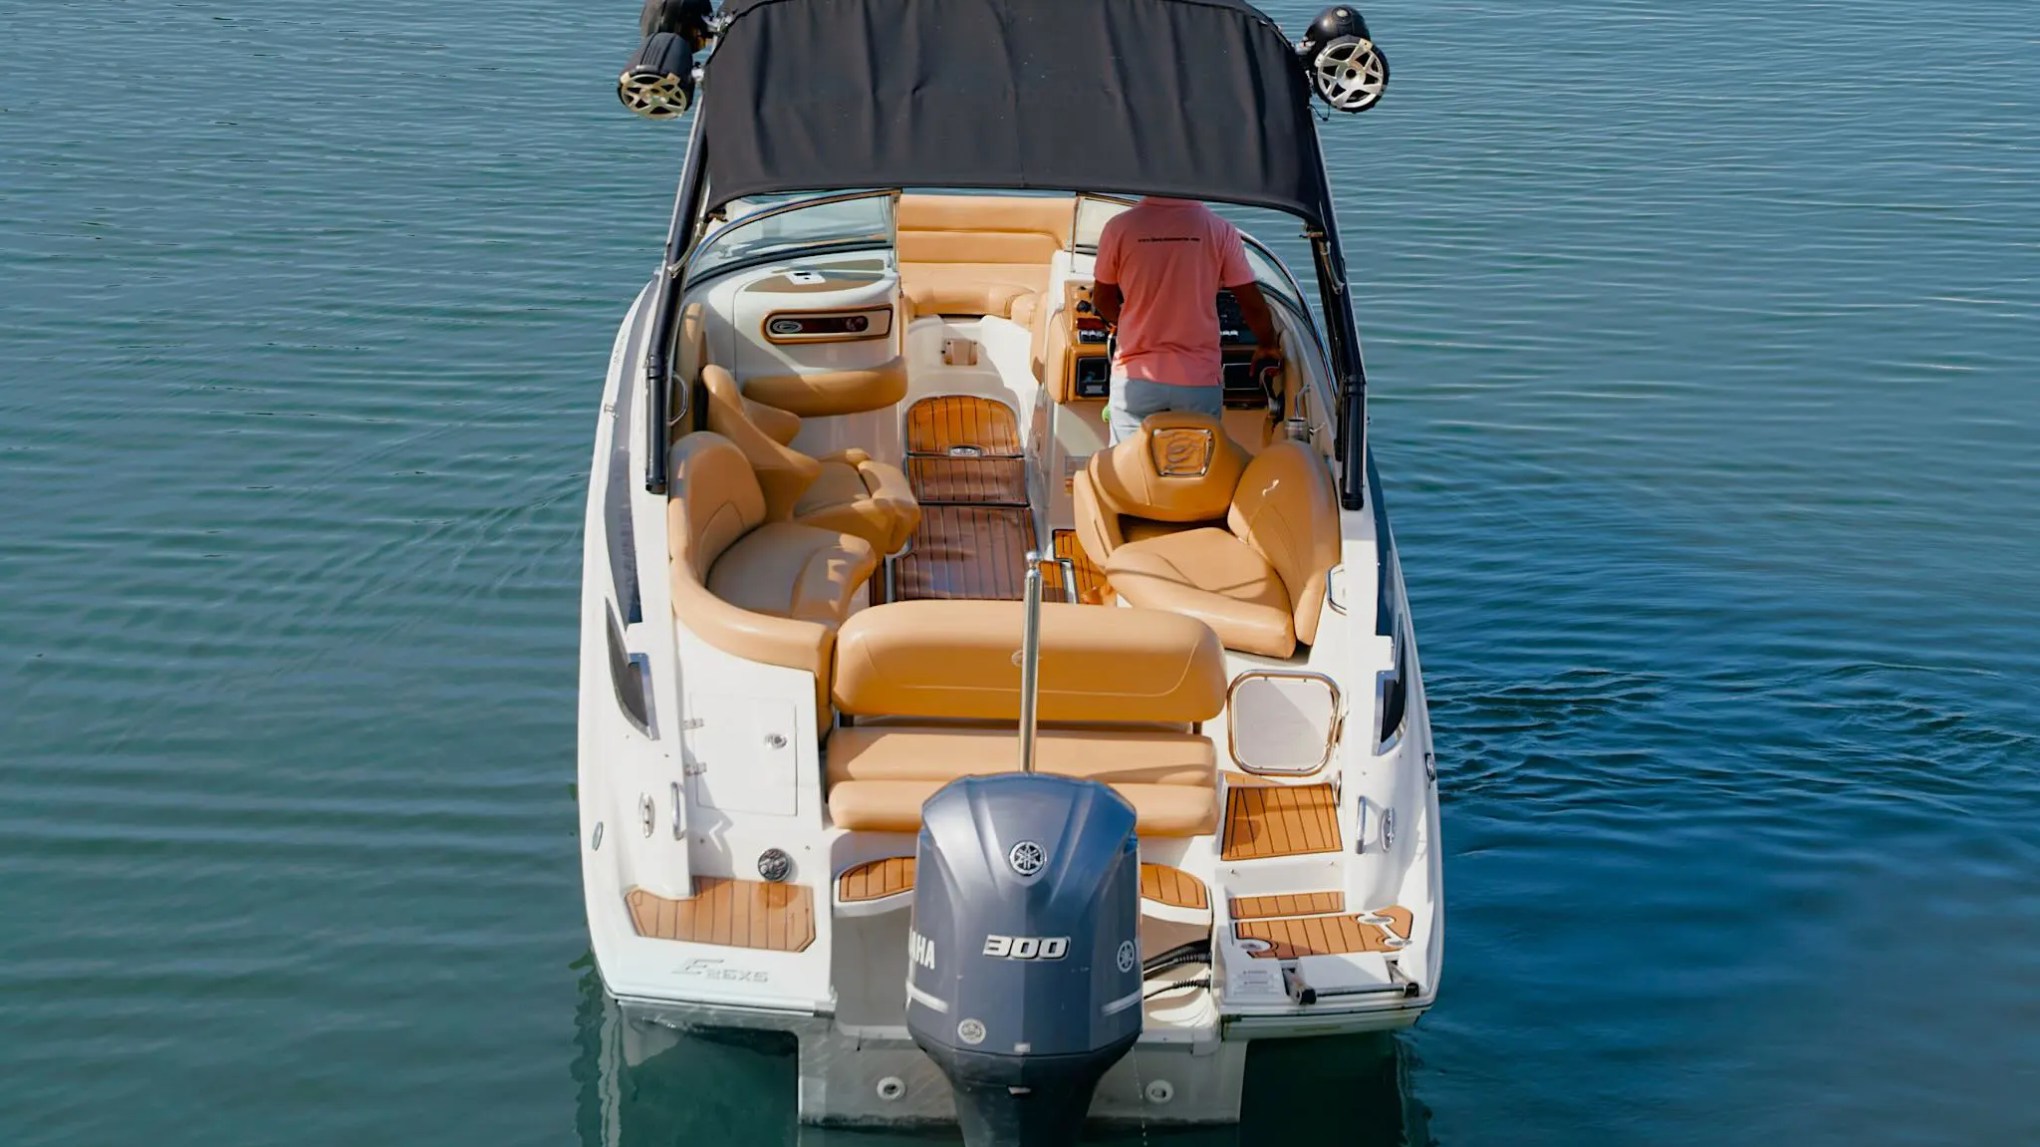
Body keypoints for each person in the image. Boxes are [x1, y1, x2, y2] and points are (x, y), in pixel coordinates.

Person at [1092, 197, 1283, 444]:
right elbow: (1251, 303)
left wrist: (1127, 323)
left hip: (1135, 378)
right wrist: (1267, 344)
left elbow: (1102, 299)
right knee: (1196, 465)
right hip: (1198, 380)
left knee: (1128, 465)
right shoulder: (1219, 230)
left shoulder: (1119, 228)